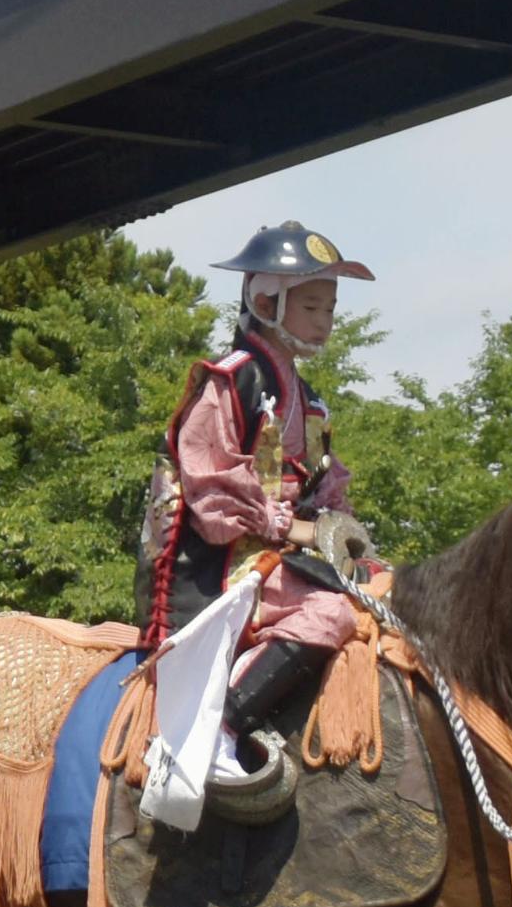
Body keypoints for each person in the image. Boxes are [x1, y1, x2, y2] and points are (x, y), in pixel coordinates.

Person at [139, 224, 376, 814]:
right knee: (332, 610)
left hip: (279, 554)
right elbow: (213, 490)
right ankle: (218, 727)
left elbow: (328, 493)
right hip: (217, 558)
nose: (326, 320)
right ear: (267, 302)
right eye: (313, 305)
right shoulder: (234, 377)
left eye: (331, 307)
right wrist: (295, 529)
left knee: (384, 593)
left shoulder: (310, 400)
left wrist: (350, 543)